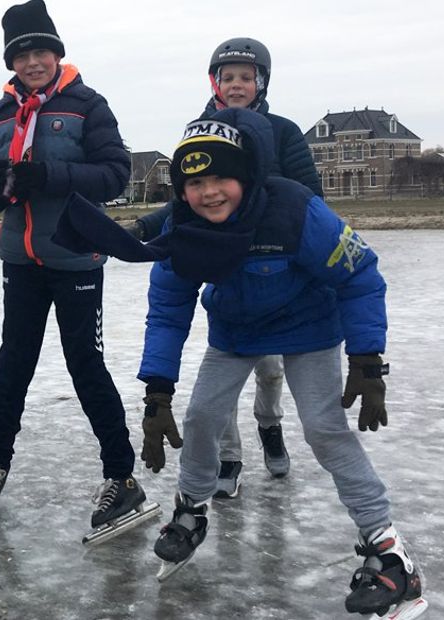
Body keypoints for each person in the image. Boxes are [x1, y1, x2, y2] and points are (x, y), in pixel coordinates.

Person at [116, 109, 423, 617]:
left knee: (325, 429)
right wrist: (157, 389)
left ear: (248, 177)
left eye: (221, 178)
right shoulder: (184, 228)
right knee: (201, 418)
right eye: (194, 182)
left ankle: (390, 553)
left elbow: (360, 275)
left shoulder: (293, 210)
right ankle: (190, 513)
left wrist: (367, 358)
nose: (209, 192)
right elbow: (168, 311)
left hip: (309, 329)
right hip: (236, 334)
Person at [0, 0, 156, 539]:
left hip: (75, 258)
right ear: (12, 62)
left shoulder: (87, 105)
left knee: (85, 367)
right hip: (20, 259)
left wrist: (46, 174)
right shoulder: (1, 115)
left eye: (41, 50)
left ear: (57, 53)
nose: (33, 62)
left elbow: (114, 174)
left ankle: (122, 475)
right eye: (22, 54)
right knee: (13, 364)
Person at [135, 38, 326, 498]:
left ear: (261, 82)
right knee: (221, 383)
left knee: (270, 370)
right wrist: (143, 228)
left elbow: (311, 199)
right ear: (215, 83)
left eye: (246, 77)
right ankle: (230, 458)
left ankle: (270, 425)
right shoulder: (199, 131)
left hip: (275, 268)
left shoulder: (283, 132)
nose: (237, 85)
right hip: (225, 271)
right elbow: (187, 200)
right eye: (228, 77)